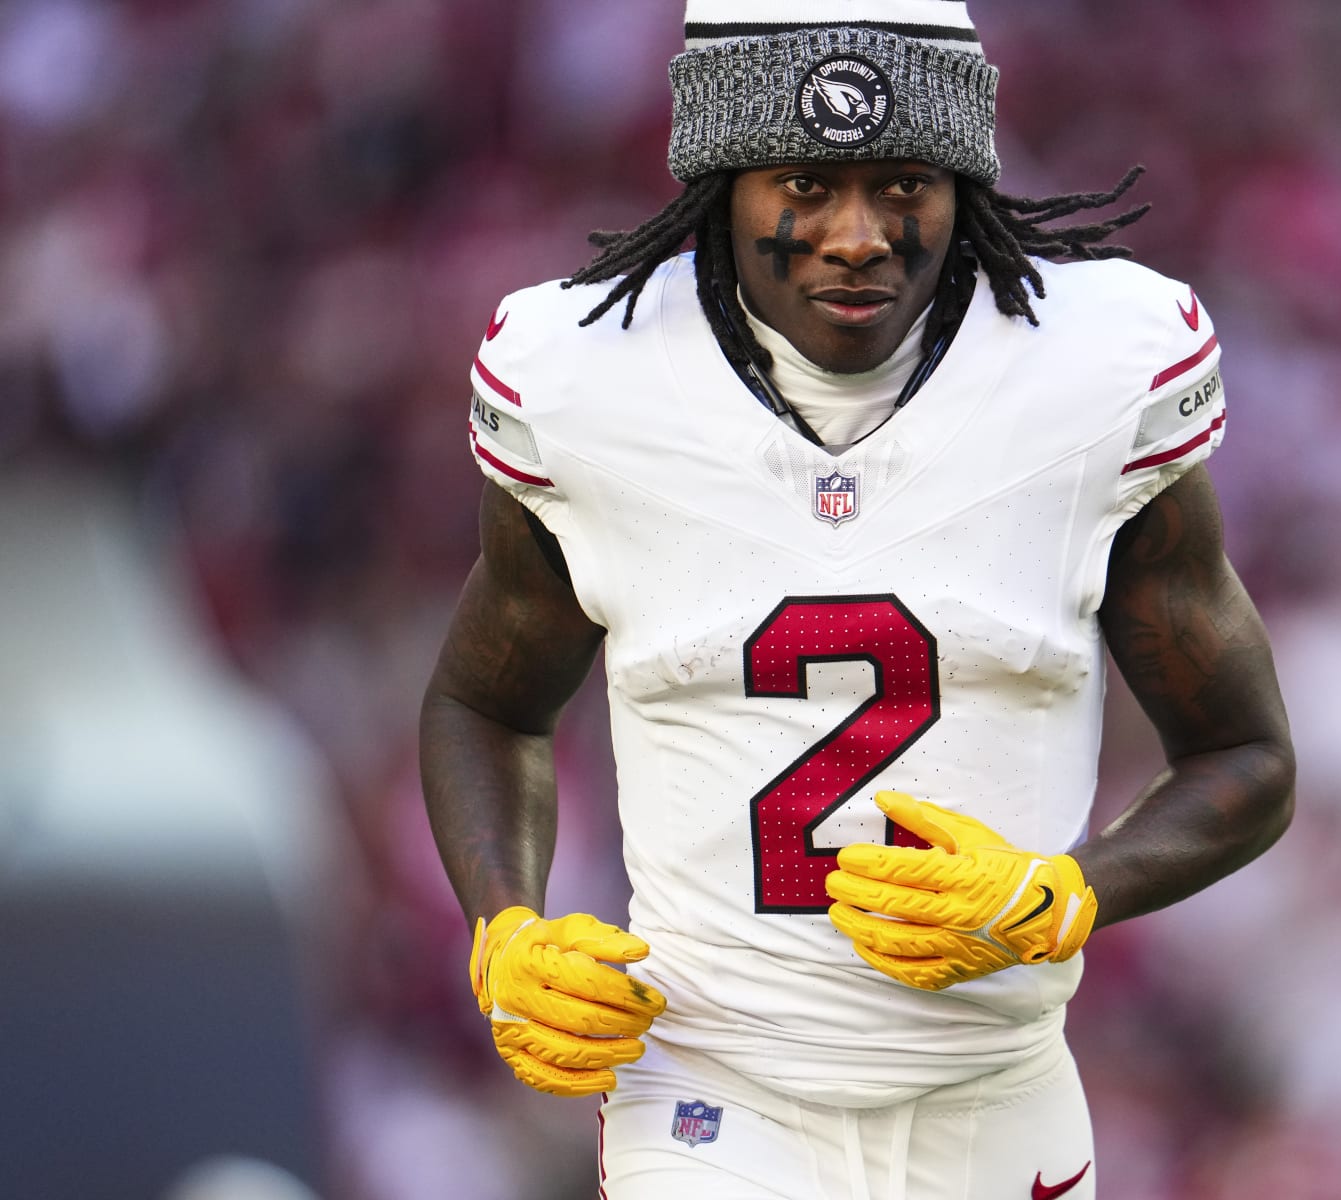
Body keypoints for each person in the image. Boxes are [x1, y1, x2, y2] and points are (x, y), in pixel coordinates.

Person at [420, 3, 1295, 1197]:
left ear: (963, 181)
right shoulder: (590, 381)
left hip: (995, 1090)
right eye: (804, 181)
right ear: (723, 179)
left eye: (903, 183)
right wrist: (504, 928)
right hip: (712, 1092)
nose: (857, 236)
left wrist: (1072, 890)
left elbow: (1247, 757)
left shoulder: (1088, 372)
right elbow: (487, 703)